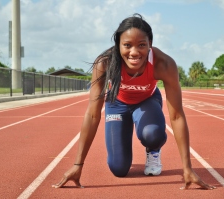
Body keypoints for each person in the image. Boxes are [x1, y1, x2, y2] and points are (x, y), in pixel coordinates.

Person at [53, 13, 215, 190]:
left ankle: (153, 150)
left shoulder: (164, 64)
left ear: (150, 45)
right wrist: (78, 165)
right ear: (118, 45)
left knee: (152, 134)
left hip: (146, 101)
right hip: (117, 104)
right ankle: (123, 136)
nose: (134, 52)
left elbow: (176, 116)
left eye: (142, 45)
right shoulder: (105, 63)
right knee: (118, 169)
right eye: (127, 45)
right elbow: (92, 115)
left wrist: (187, 168)